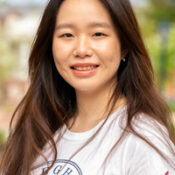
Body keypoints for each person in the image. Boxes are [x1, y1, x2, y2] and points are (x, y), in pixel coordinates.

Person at [0, 0, 175, 174]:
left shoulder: (143, 139)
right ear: (50, 46)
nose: (82, 50)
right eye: (67, 35)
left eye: (98, 34)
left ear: (124, 46)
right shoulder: (40, 129)